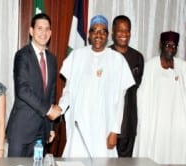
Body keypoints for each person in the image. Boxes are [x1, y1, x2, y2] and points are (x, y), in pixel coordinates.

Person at [58, 15, 135, 157]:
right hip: (80, 124)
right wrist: (60, 108)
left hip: (104, 127)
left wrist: (114, 130)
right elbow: (68, 90)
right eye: (95, 30)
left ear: (107, 35)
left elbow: (120, 100)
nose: (98, 35)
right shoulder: (77, 56)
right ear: (89, 34)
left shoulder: (117, 60)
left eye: (103, 31)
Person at [133, 31, 186, 164]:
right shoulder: (150, 66)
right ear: (161, 45)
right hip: (155, 122)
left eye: (174, 46)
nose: (171, 49)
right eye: (168, 45)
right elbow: (141, 96)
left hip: (177, 123)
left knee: (176, 157)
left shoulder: (183, 67)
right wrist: (143, 121)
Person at [6, 13, 61, 157]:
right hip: (21, 130)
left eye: (47, 29)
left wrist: (51, 127)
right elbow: (22, 90)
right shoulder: (22, 55)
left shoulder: (52, 59)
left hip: (41, 131)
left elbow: (51, 94)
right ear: (31, 31)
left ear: (51, 33)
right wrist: (49, 110)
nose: (43, 33)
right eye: (39, 28)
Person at [109, 15, 144, 157]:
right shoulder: (107, 55)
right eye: (120, 30)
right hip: (109, 120)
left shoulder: (138, 57)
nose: (124, 34)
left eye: (127, 30)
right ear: (113, 32)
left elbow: (137, 86)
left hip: (129, 120)